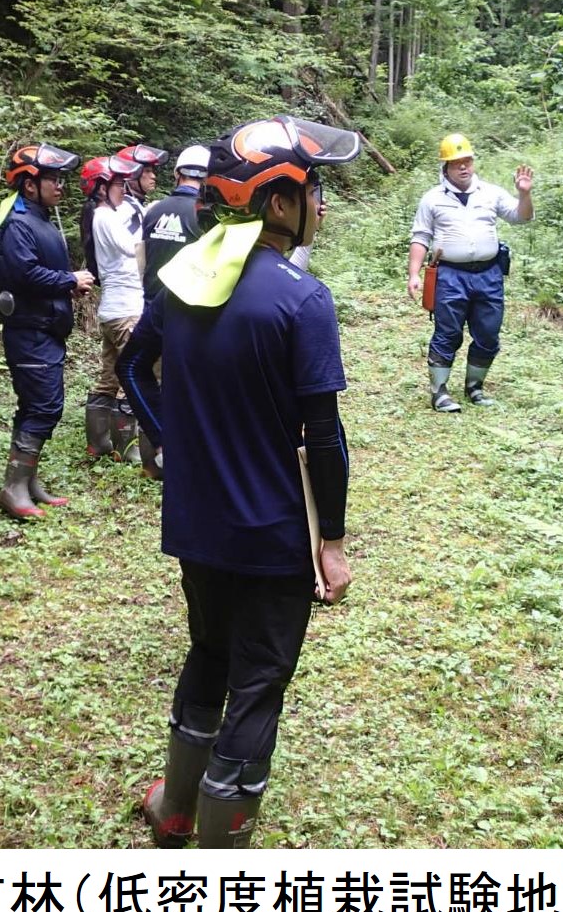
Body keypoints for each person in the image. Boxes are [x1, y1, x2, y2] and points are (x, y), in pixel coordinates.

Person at [118, 115, 359, 848]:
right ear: (280, 202)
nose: (324, 205)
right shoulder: (301, 299)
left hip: (197, 521)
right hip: (272, 531)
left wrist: (169, 443)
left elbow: (133, 367)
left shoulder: (185, 276)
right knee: (258, 681)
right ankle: (223, 846)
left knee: (208, 652)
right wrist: (335, 541)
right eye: (315, 191)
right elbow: (324, 436)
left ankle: (176, 809)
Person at [0, 142, 91, 520]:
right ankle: (13, 489)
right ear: (29, 185)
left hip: (45, 328)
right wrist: (69, 279)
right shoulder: (17, 224)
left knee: (33, 405)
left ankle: (28, 482)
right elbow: (24, 273)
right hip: (29, 331)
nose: (60, 186)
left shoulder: (40, 219)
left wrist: (68, 285)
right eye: (52, 179)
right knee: (46, 406)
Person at [405, 133, 534, 412]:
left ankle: (475, 388)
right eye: (456, 163)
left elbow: (521, 217)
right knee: (447, 333)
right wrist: (414, 274)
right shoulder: (432, 199)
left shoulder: (490, 193)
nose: (463, 167)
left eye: (467, 161)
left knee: (488, 334)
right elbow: (420, 237)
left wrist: (524, 194)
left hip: (489, 274)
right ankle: (439, 392)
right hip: (450, 275)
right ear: (446, 168)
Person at [84, 154, 145, 463]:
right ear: (100, 188)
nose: (123, 189)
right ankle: (127, 448)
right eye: (118, 184)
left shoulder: (103, 216)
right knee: (133, 373)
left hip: (113, 310)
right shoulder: (106, 218)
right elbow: (134, 247)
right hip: (126, 310)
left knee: (108, 377)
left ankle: (98, 443)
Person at [140, 144, 209, 300]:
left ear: (177, 174)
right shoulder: (207, 215)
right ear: (206, 177)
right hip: (185, 309)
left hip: (150, 307)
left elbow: (140, 262)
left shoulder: (152, 211)